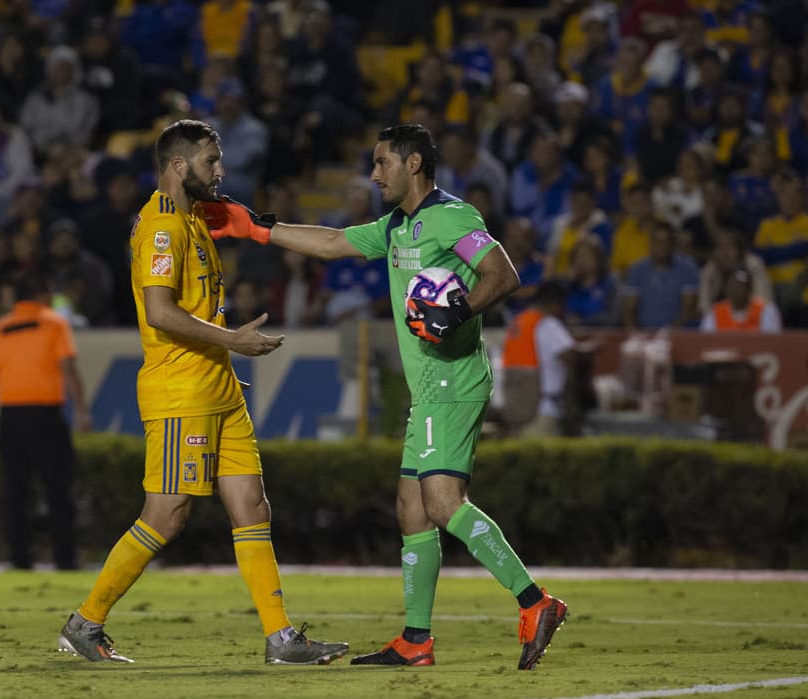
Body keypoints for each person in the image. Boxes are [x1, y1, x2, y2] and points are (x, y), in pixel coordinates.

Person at [204, 123, 567, 669]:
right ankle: (416, 640)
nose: (374, 175)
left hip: (453, 379)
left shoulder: (453, 217)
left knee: (442, 504)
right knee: (411, 509)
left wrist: (459, 310)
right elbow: (332, 243)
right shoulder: (397, 226)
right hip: (429, 388)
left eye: (382, 163)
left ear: (413, 163)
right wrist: (255, 228)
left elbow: (503, 273)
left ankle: (535, 602)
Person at [58, 119, 348, 666]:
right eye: (210, 161)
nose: (221, 170)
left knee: (252, 506)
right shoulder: (162, 228)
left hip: (218, 387)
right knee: (167, 515)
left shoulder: (193, 218)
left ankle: (281, 638)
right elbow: (160, 312)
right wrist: (233, 340)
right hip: (181, 391)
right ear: (178, 165)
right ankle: (85, 623)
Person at [0, 272, 90, 571]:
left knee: (16, 491)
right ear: (43, 294)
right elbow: (68, 369)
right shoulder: (54, 324)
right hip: (46, 416)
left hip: (10, 417)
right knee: (58, 488)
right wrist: (82, 410)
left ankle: (20, 558)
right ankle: (65, 559)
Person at [502, 281, 595, 437]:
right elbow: (569, 355)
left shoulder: (519, 321)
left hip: (517, 409)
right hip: (542, 411)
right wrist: (591, 349)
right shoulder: (547, 323)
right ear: (555, 302)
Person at [701, 266, 782, 332]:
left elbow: (772, 342)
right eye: (733, 285)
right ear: (726, 288)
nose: (737, 290)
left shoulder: (766, 310)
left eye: (742, 286)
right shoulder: (714, 313)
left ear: (750, 288)